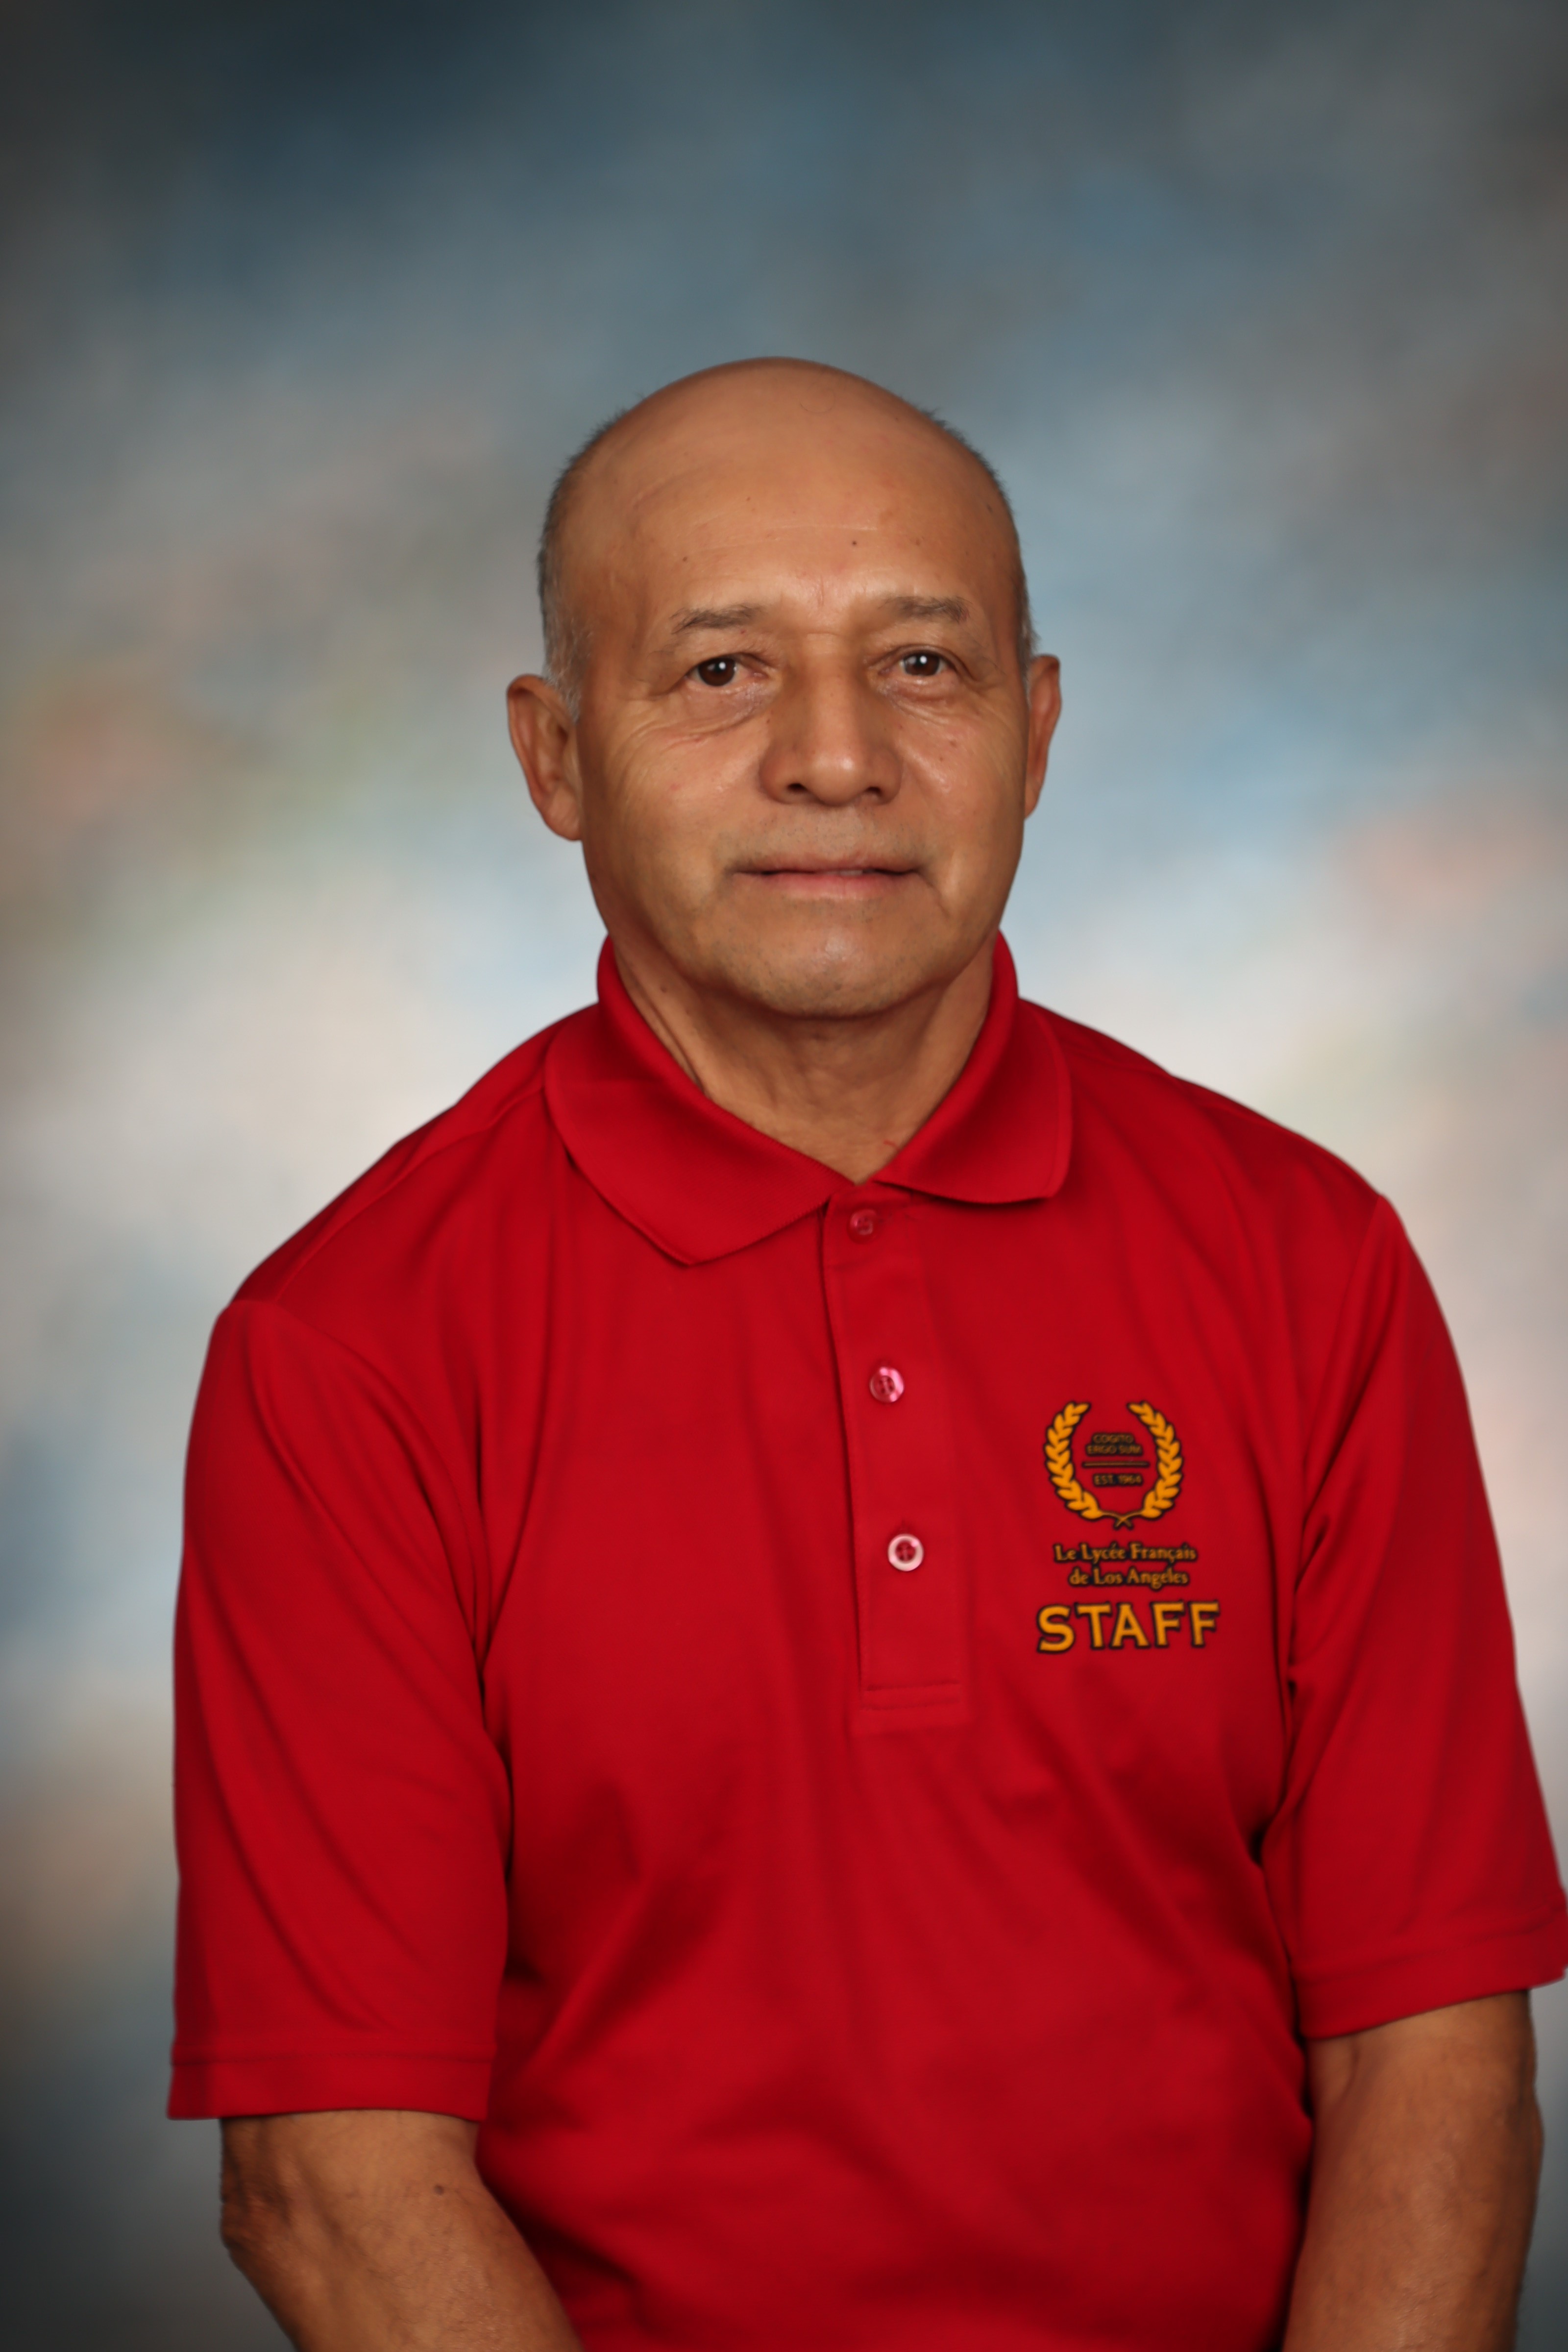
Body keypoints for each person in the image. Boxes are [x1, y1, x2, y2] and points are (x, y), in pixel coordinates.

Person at [172, 358, 1566, 2352]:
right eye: (721, 671)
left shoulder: (1304, 1262)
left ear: (1037, 730)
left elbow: (1428, 2054)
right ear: (554, 756)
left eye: (922, 664)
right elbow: (333, 2180)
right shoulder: (348, 1349)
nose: (836, 759)